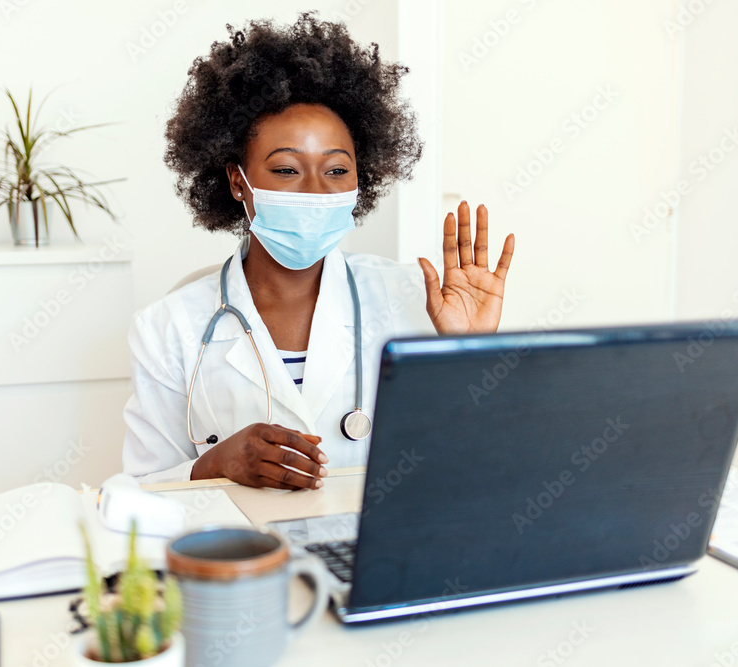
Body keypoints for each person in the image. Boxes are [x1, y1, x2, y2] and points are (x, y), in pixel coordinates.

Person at [123, 13, 515, 488]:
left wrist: (468, 352)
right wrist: (215, 464)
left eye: (336, 171)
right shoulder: (168, 328)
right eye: (287, 170)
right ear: (236, 182)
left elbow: (477, 466)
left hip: (379, 555)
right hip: (249, 555)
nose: (315, 192)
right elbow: (140, 494)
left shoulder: (418, 300)